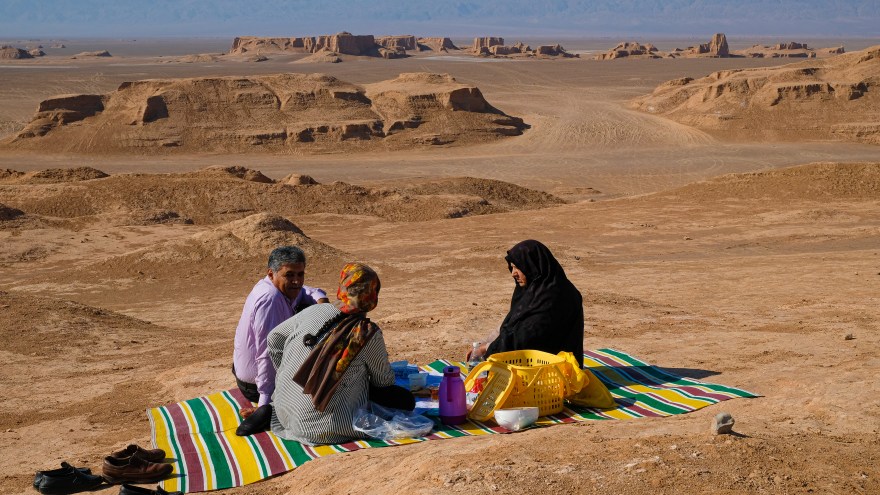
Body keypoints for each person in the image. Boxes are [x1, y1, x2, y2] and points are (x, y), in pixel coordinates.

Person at [267, 262, 414, 445]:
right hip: (329, 428)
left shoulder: (315, 310)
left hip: (284, 414)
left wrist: (286, 372)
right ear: (373, 296)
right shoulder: (367, 333)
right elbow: (384, 383)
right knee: (406, 401)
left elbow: (274, 338)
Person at [232, 246, 329, 435]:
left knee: (311, 313)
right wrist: (264, 403)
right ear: (271, 273)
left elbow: (306, 291)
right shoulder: (271, 299)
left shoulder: (274, 286)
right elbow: (266, 353)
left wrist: (321, 301)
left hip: (249, 377)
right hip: (256, 386)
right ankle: (270, 410)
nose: (296, 281)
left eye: (300, 274)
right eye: (289, 275)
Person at [467, 239, 585, 367]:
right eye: (512, 267)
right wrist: (482, 344)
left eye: (517, 267)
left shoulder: (556, 297)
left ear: (532, 266)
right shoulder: (534, 290)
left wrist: (487, 348)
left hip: (556, 372)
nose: (513, 273)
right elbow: (511, 324)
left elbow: (525, 338)